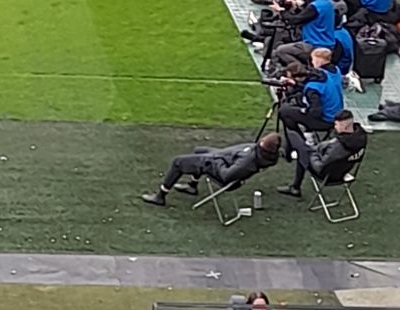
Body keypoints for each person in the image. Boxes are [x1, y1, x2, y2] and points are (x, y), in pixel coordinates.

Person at [141, 132, 281, 207]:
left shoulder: (247, 161)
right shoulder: (263, 155)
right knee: (199, 150)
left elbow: (226, 176)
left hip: (218, 167)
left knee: (178, 162)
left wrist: (217, 159)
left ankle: (160, 196)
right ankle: (192, 186)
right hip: (222, 157)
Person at [278, 109, 367, 198]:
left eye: (336, 125)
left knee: (294, 138)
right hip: (344, 170)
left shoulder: (338, 146)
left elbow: (320, 166)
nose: (335, 127)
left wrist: (313, 153)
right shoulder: (361, 138)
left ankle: (295, 184)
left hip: (327, 174)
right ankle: (295, 186)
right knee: (304, 148)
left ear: (344, 126)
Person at [279, 47, 344, 140]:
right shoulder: (330, 72)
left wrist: (303, 110)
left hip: (326, 119)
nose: (312, 63)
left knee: (285, 110)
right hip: (336, 111)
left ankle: (301, 140)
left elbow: (316, 111)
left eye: (313, 59)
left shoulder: (312, 87)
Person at [271, 0, 336, 67]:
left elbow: (295, 20)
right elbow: (308, 16)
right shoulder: (328, 3)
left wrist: (281, 10)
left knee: (281, 50)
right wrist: (296, 7)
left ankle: (300, 70)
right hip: (327, 44)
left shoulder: (315, 6)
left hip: (314, 44)